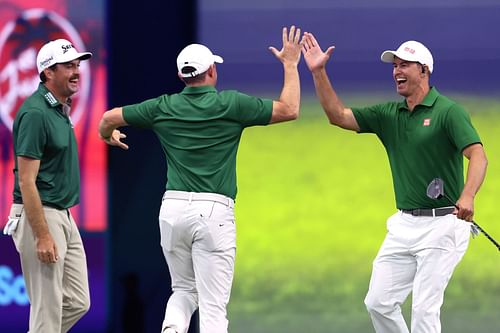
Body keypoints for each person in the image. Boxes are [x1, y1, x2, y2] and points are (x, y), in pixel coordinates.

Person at [98, 26, 302, 333]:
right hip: (213, 212)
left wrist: (107, 136)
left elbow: (108, 117)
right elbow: (290, 109)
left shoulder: (163, 106)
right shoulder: (230, 104)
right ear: (211, 71)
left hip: (172, 210)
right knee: (213, 306)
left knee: (183, 290)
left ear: (182, 76)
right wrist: (289, 64)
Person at [301, 34, 488, 333]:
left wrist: (468, 196)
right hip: (403, 225)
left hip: (444, 224)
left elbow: (478, 156)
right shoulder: (389, 114)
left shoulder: (449, 112)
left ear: (424, 71)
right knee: (378, 302)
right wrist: (318, 72)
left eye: (405, 65)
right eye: (395, 66)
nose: (397, 71)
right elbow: (338, 116)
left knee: (424, 310)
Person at [4, 39, 92, 332]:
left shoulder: (58, 109)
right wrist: (41, 235)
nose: (77, 71)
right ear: (47, 72)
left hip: (63, 213)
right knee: (48, 308)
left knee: (78, 301)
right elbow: (26, 180)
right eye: (69, 66)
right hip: (40, 214)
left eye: (77, 65)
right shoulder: (35, 113)